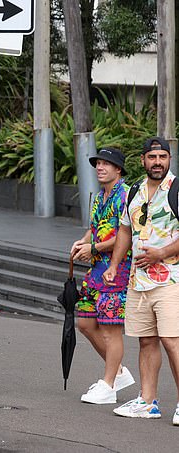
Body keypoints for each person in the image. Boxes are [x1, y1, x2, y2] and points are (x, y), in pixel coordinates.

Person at [103, 137, 179, 425]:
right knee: (147, 341)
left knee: (172, 342)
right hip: (138, 280)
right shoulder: (134, 190)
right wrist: (113, 266)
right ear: (143, 160)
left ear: (169, 159)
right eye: (152, 157)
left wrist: (162, 252)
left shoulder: (177, 189)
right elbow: (124, 229)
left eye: (162, 156)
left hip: (171, 279)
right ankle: (148, 402)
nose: (157, 161)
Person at [70, 147, 135, 404]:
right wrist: (82, 242)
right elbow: (94, 227)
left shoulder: (127, 195)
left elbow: (125, 236)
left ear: (118, 169)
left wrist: (93, 247)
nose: (100, 167)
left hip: (117, 270)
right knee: (85, 323)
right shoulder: (100, 196)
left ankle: (108, 385)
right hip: (95, 269)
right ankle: (118, 372)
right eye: (98, 163)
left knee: (110, 330)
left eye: (106, 164)